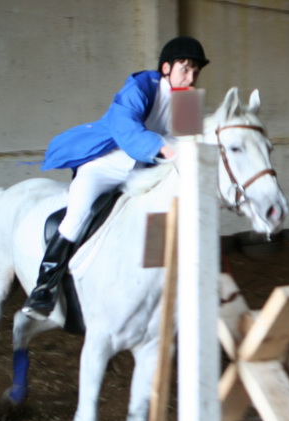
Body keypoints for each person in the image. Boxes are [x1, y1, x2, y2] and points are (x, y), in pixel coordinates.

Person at [22, 36, 210, 320]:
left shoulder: (188, 99)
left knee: (162, 215)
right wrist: (168, 149)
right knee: (76, 216)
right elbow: (127, 129)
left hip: (145, 171)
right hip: (104, 167)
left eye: (195, 72)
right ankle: (43, 291)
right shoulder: (140, 86)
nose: (191, 77)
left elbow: (191, 142)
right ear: (166, 68)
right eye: (185, 69)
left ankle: (155, 289)